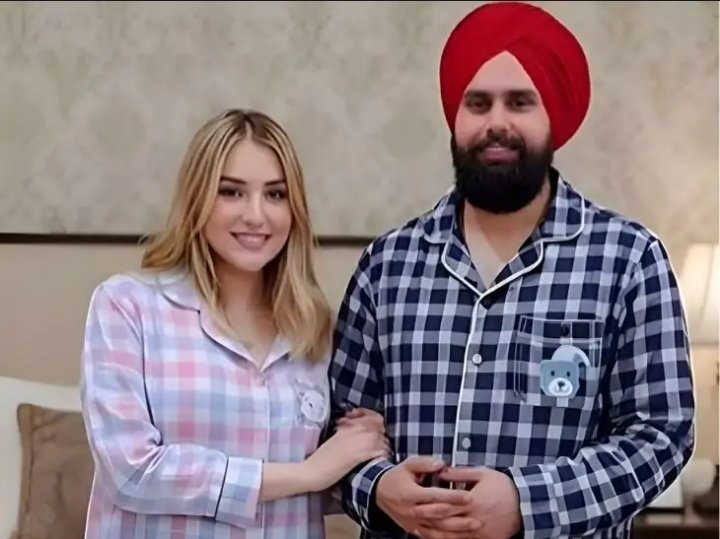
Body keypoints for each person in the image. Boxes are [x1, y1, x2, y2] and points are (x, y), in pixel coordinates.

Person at [329, 3, 695, 539]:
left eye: (520, 102)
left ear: (554, 119)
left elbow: (661, 436)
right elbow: (338, 424)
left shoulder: (629, 259)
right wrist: (378, 488)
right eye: (477, 103)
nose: (496, 122)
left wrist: (528, 503)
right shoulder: (387, 265)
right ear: (455, 117)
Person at [80, 108, 388, 538]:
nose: (256, 215)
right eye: (231, 192)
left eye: (275, 194)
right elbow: (130, 472)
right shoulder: (127, 306)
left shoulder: (316, 330)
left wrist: (364, 451)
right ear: (197, 199)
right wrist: (307, 474)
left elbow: (331, 477)